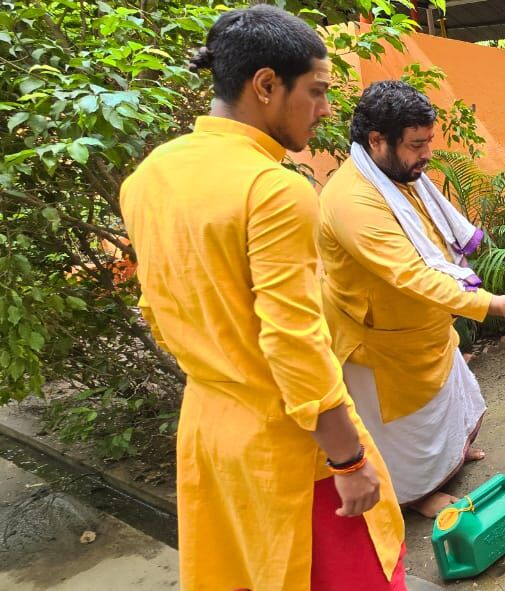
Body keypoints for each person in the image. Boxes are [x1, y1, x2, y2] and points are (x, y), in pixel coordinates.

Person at [118, 6, 406, 590]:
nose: (327, 109)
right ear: (266, 85)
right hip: (292, 446)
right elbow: (295, 345)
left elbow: (157, 308)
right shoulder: (272, 190)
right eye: (318, 91)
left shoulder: (150, 176)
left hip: (208, 430)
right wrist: (348, 461)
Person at [317, 81, 505, 517]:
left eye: (428, 142)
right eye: (416, 145)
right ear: (376, 141)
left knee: (444, 405)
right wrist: (488, 305)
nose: (426, 154)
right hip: (381, 342)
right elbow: (410, 272)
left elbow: (435, 250)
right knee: (406, 431)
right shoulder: (353, 200)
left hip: (425, 324)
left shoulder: (399, 175)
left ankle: (449, 464)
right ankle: (417, 495)